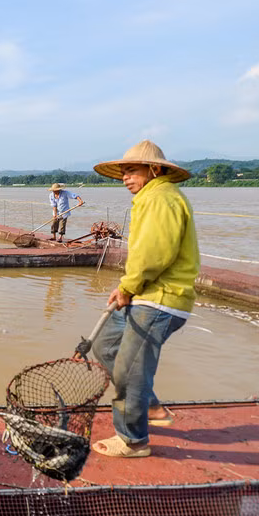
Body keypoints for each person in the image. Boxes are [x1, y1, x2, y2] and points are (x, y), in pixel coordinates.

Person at [88, 140, 199, 458]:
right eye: (123, 172)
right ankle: (148, 404)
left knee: (130, 371)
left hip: (160, 299)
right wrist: (127, 288)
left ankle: (132, 440)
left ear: (154, 169)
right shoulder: (151, 197)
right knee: (105, 345)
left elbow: (154, 254)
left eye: (132, 170)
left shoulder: (161, 198)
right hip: (142, 295)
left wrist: (127, 287)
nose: (125, 177)